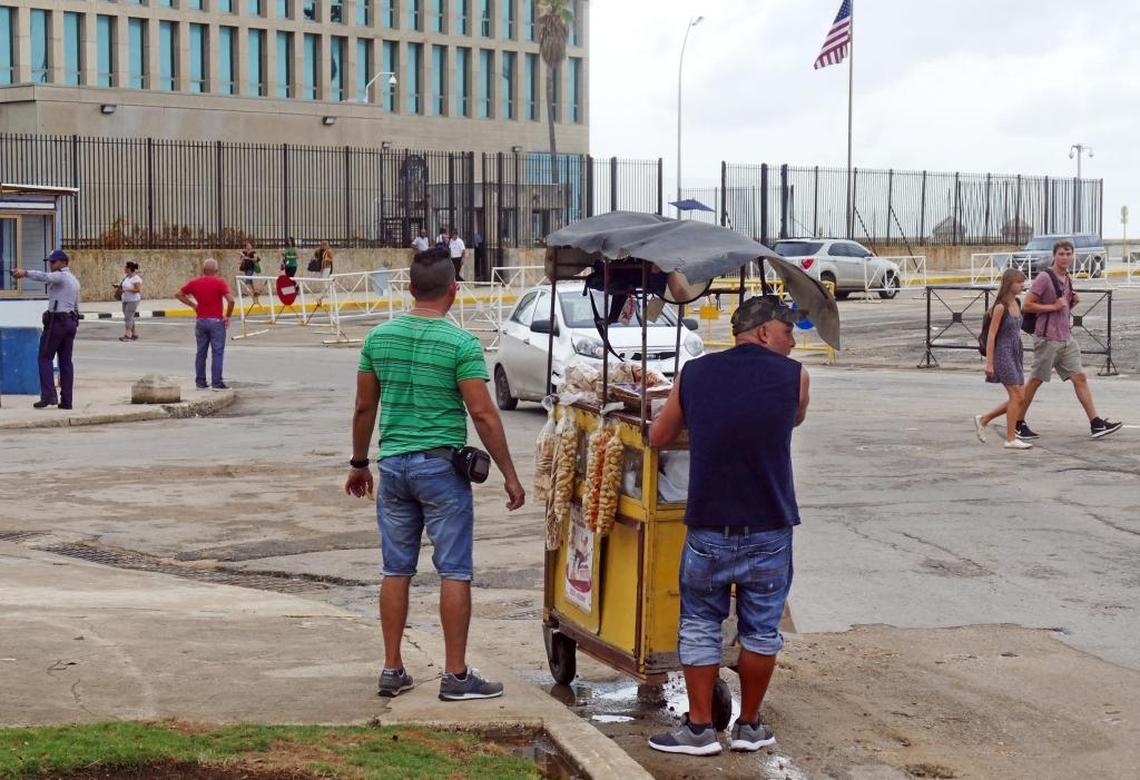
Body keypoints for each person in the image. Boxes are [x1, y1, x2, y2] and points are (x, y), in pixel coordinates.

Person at [344, 246, 525, 703]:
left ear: (409, 288)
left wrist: (359, 463)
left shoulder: (378, 339)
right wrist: (509, 474)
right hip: (441, 470)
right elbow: (483, 415)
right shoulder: (460, 343)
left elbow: (365, 407)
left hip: (394, 468)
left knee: (395, 568)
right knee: (455, 571)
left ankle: (391, 669)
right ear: (454, 290)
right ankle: (456, 675)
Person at [647, 295, 809, 757]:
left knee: (699, 623)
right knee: (761, 630)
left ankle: (699, 729)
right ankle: (750, 726)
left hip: (708, 525)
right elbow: (792, 419)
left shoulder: (694, 373)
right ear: (762, 332)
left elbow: (659, 437)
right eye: (787, 331)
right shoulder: (796, 377)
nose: (793, 342)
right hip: (770, 523)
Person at [1017, 240, 1122, 440]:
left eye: (1068, 254)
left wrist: (1070, 304)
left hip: (1065, 338)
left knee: (1080, 378)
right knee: (1035, 382)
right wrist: (1054, 307)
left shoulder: (1067, 278)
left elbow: (1062, 307)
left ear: (1073, 256)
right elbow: (1027, 306)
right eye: (1061, 254)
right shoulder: (1044, 278)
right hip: (1047, 339)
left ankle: (1096, 423)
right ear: (1054, 255)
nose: (1065, 257)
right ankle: (1017, 423)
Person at [11, 249, 81, 410]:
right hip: (70, 321)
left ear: (63, 263)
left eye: (53, 262)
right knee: (65, 362)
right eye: (50, 262)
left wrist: (25, 273)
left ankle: (49, 395)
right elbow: (76, 304)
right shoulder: (73, 280)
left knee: (44, 357)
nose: (51, 265)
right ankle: (67, 400)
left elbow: (45, 277)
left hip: (58, 321)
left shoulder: (61, 276)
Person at [973, 270, 1031, 449]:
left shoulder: (1017, 302)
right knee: (1016, 395)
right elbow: (991, 335)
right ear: (1009, 284)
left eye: (1023, 282)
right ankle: (1011, 438)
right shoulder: (1000, 307)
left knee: (1020, 397)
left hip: (1015, 351)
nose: (1023, 286)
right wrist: (989, 363)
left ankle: (984, 419)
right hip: (1002, 353)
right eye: (1019, 282)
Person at [176, 258, 235, 391]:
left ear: (203, 270)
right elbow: (231, 301)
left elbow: (179, 294)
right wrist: (228, 316)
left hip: (201, 321)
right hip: (216, 321)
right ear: (216, 271)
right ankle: (217, 382)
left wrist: (193, 305)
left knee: (201, 352)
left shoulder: (194, 283)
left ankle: (201, 382)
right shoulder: (220, 282)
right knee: (217, 352)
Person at [118, 261, 143, 342]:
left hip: (133, 300)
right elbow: (124, 286)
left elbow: (138, 290)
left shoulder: (136, 278)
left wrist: (127, 289)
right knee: (129, 317)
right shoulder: (127, 277)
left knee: (128, 317)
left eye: (125, 267)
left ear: (129, 269)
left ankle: (128, 335)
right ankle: (134, 334)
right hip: (125, 299)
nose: (124, 269)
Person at [238, 242, 263, 307]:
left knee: (247, 280)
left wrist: (247, 258)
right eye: (246, 245)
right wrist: (242, 257)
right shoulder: (244, 252)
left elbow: (255, 259)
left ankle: (249, 294)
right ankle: (255, 293)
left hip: (251, 268)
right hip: (246, 268)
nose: (248, 247)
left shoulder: (253, 252)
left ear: (251, 246)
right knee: (250, 281)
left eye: (249, 245)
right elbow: (241, 258)